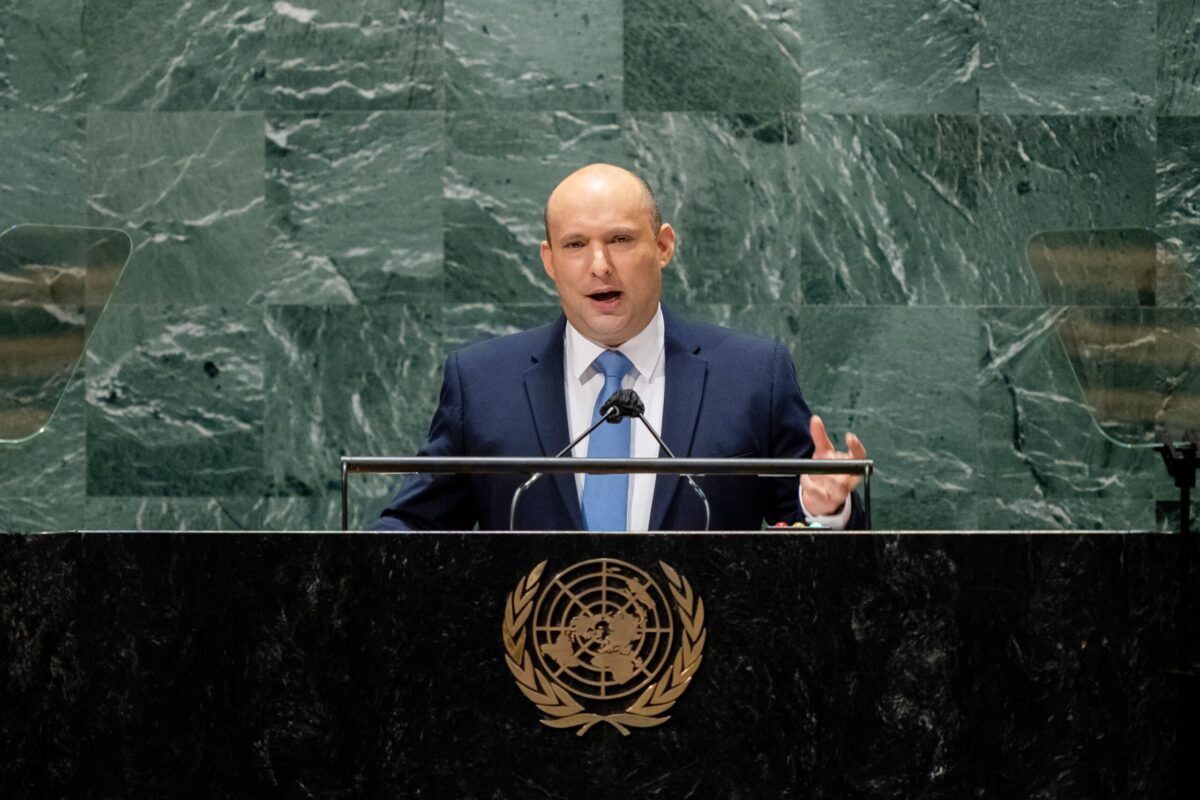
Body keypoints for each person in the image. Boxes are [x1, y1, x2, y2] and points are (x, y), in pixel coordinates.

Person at [375, 164, 867, 531]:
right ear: (548, 261)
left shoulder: (753, 376)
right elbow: (412, 528)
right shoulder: (482, 384)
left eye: (621, 239)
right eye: (574, 245)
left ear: (664, 246)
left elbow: (822, 537)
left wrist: (827, 508)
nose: (600, 266)